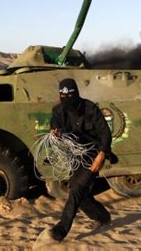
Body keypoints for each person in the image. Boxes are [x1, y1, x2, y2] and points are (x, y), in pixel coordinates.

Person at [48, 78, 112, 242]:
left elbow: (105, 133)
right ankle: (103, 217)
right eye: (62, 94)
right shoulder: (58, 112)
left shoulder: (90, 108)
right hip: (75, 156)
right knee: (81, 195)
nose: (66, 97)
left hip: (93, 153)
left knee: (76, 189)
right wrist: (56, 134)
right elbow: (55, 129)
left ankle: (61, 229)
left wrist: (102, 155)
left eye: (69, 94)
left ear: (76, 93)